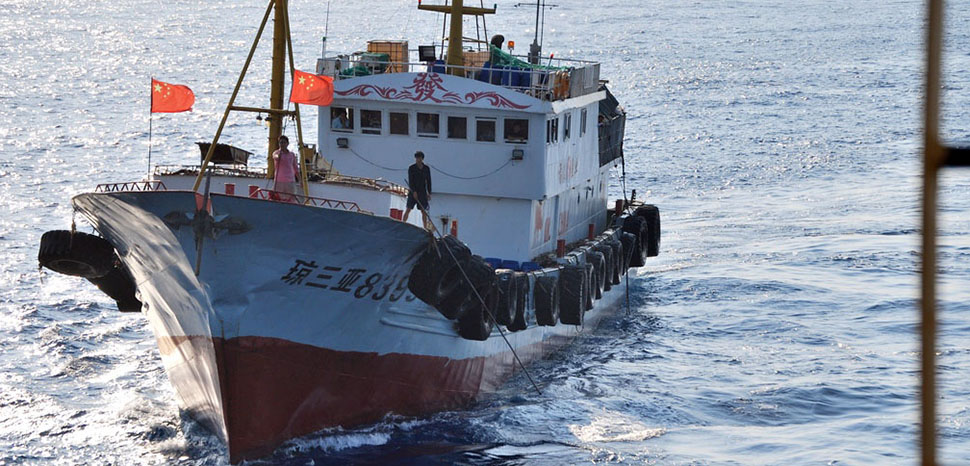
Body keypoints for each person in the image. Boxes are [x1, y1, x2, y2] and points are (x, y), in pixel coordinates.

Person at [402, 151, 432, 229]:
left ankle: (425, 228)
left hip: (422, 192)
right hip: (413, 191)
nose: (418, 159)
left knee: (423, 211)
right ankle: (402, 224)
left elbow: (429, 181)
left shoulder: (426, 169)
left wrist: (429, 192)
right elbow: (411, 181)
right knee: (408, 208)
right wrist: (414, 191)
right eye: (417, 158)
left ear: (422, 159)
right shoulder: (411, 168)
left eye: (420, 158)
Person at [272, 135, 300, 202]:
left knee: (291, 198)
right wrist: (279, 155)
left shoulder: (292, 155)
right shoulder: (276, 153)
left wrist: (300, 180)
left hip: (290, 180)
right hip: (279, 180)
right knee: (277, 198)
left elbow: (295, 168)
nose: (282, 144)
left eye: (284, 142)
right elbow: (275, 157)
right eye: (281, 143)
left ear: (287, 143)